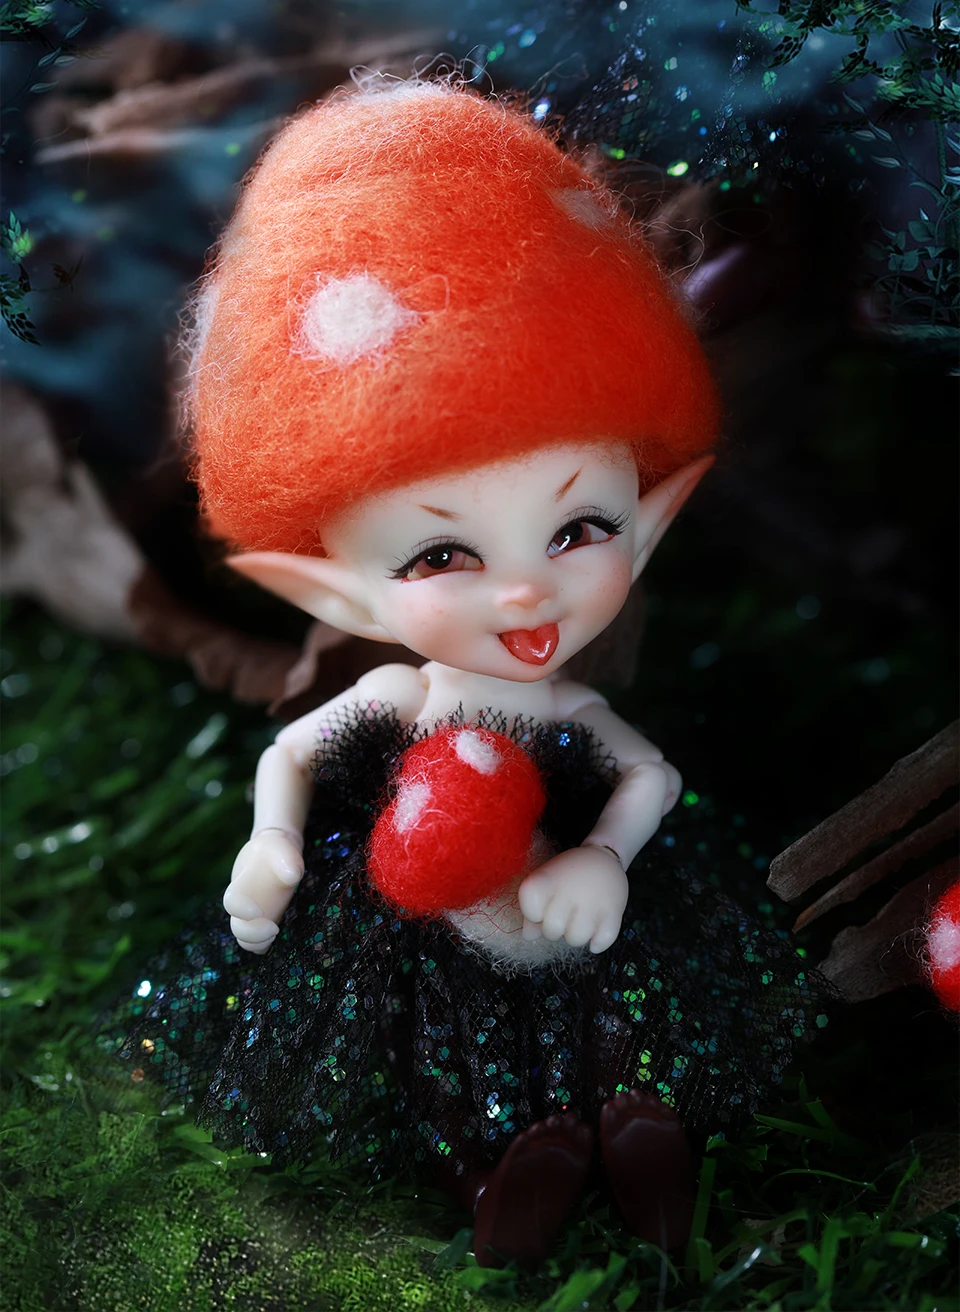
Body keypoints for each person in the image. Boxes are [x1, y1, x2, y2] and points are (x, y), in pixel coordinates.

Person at [110, 80, 824, 1268]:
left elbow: (649, 777)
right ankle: (496, 1170)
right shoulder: (396, 703)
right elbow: (292, 754)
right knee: (442, 1037)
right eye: (443, 554)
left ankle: (640, 1141)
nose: (528, 593)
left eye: (581, 528)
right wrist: (272, 844)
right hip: (424, 916)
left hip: (570, 901)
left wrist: (603, 855)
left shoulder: (572, 717)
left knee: (617, 1005)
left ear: (651, 520)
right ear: (334, 596)